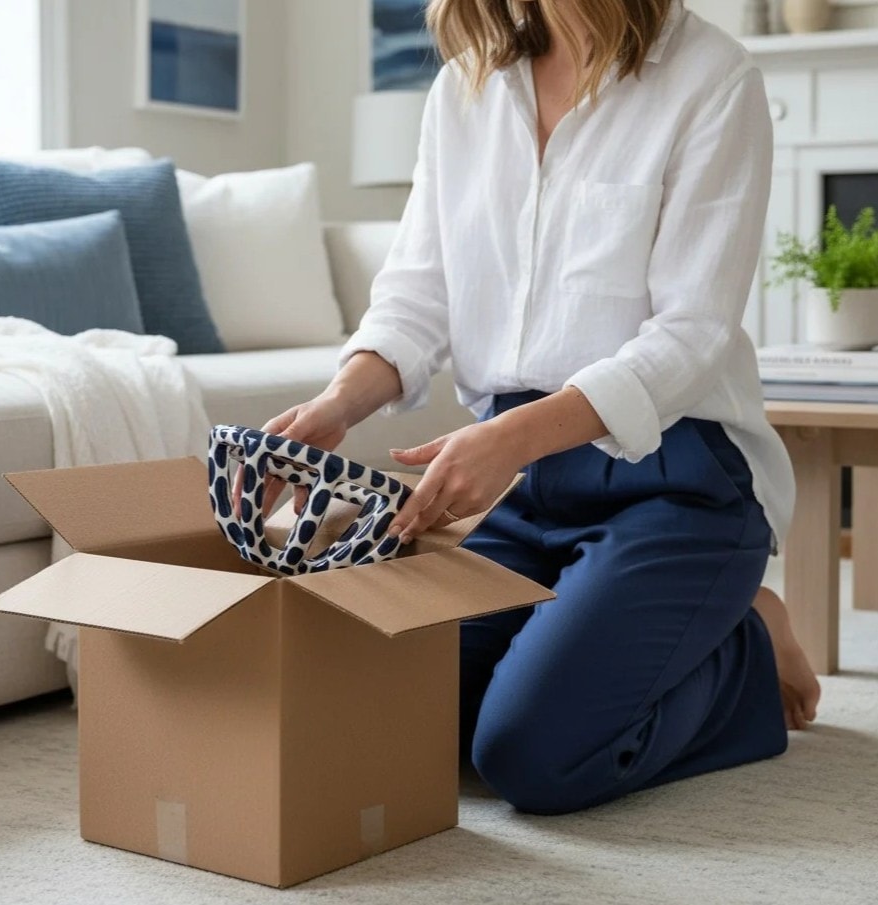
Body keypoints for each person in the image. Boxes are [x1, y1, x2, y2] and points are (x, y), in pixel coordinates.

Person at [256, 0, 821, 814]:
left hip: (679, 477)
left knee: (529, 756)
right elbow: (418, 295)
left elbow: (692, 332)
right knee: (387, 710)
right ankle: (685, 624)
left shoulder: (711, 76)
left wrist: (509, 438)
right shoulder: (464, 89)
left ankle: (739, 647)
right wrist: (339, 403)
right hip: (533, 486)